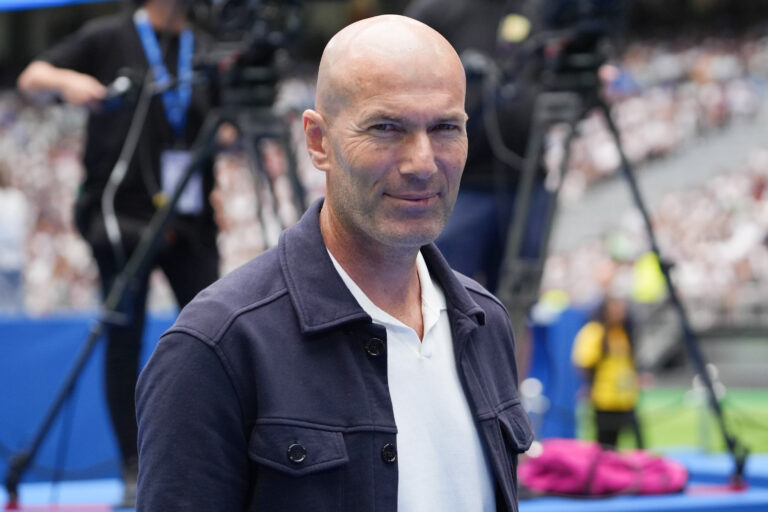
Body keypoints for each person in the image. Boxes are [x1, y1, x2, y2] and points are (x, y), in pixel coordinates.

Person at [136, 14, 533, 512]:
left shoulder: (485, 322)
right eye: (386, 128)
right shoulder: (218, 346)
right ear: (317, 141)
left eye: (445, 127)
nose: (422, 162)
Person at [17, 0, 220, 505]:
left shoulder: (206, 47)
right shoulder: (107, 37)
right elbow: (31, 77)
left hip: (190, 216)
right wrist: (68, 82)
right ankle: (134, 464)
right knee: (124, 339)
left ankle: (216, 457)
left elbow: (223, 125)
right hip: (119, 215)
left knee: (218, 333)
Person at [405, 0, 555, 376]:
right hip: (456, 185)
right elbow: (398, 71)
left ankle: (511, 401)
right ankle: (439, 391)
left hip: (527, 181)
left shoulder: (540, 8)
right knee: (438, 300)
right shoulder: (436, 10)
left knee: (519, 304)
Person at [572, 294, 644, 450]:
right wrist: (589, 386)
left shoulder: (622, 331)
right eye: (615, 308)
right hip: (604, 399)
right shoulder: (594, 332)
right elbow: (584, 362)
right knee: (606, 444)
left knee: (638, 441)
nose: (620, 312)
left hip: (625, 399)